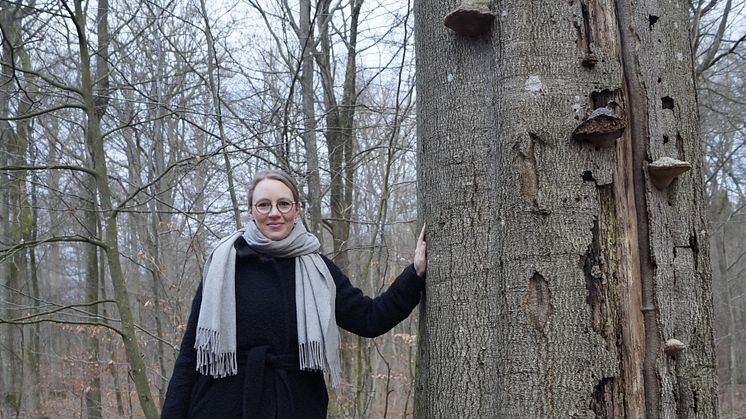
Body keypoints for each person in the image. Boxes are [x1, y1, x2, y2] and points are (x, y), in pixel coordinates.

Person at [161, 169, 427, 419]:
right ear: (251, 212)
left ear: (296, 209)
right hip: (221, 405)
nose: (274, 213)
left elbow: (370, 319)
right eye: (264, 205)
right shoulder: (224, 265)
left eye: (284, 204)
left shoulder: (318, 270)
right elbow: (191, 354)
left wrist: (414, 273)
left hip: (296, 405)